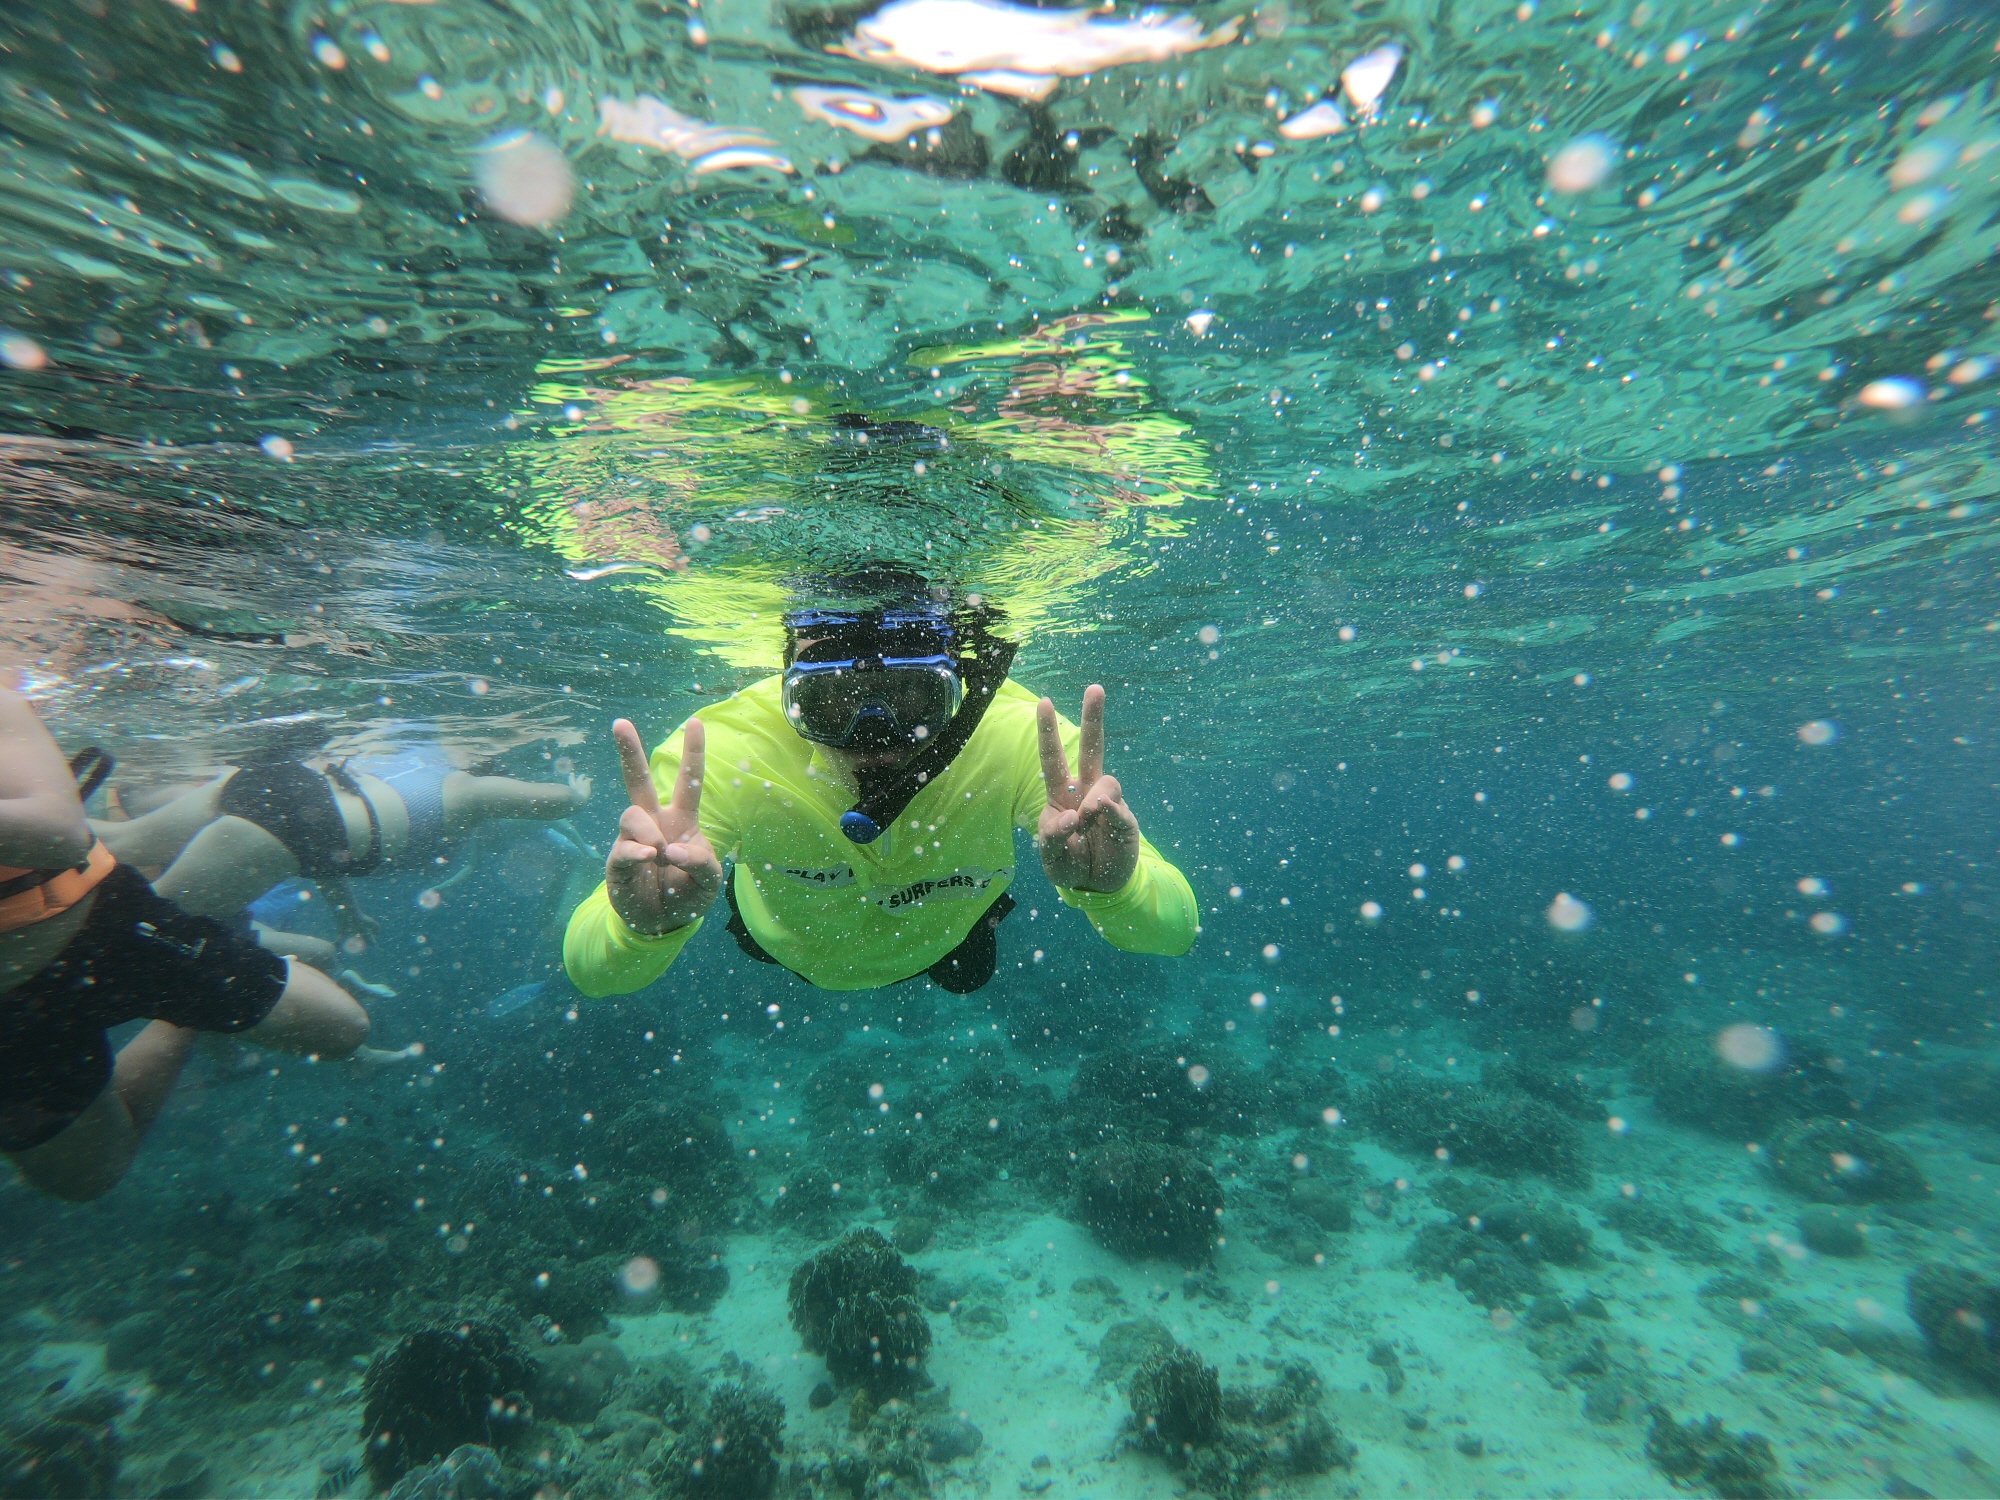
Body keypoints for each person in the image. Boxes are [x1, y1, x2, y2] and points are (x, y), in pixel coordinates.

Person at [564, 590, 1197, 996]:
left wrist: (1115, 889)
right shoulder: (722, 753)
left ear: (959, 689)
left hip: (945, 941)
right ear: (787, 690)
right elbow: (590, 971)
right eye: (831, 702)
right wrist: (647, 926)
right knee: (751, 938)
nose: (875, 735)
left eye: (915, 700)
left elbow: (1176, 933)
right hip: (782, 943)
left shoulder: (1023, 736)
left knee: (968, 972)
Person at [0, 688, 381, 1201]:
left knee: (342, 1027)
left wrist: (347, 914)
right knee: (87, 1179)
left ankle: (188, 1013)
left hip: (106, 929)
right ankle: (191, 1018)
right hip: (15, 1013)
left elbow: (63, 834)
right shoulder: (237, 792)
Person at [94, 745, 592, 942]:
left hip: (287, 784)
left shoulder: (416, 768)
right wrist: (577, 794)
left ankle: (51, 817)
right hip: (303, 827)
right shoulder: (469, 791)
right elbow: (553, 803)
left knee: (119, 842)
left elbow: (330, 853)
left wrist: (347, 916)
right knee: (142, 922)